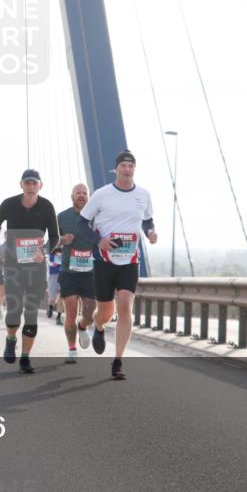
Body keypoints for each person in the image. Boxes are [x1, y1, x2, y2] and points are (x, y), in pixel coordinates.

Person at [77, 151, 157, 380]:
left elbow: (147, 219)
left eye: (131, 166)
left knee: (124, 305)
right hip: (104, 260)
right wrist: (98, 240)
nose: (127, 169)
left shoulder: (143, 194)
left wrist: (150, 232)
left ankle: (118, 360)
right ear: (116, 169)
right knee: (104, 312)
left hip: (130, 260)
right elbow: (82, 222)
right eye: (123, 165)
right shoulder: (102, 194)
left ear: (135, 169)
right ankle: (97, 327)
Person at [0, 169, 59, 374]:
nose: (30, 186)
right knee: (14, 311)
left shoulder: (46, 206)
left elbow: (55, 237)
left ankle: (26, 357)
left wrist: (44, 251)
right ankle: (11, 338)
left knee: (31, 313)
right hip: (12, 265)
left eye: (34, 183)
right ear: (21, 185)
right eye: (27, 183)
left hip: (36, 267)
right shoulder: (9, 204)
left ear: (40, 186)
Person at [57, 184, 97, 363]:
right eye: (78, 193)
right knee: (71, 313)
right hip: (69, 271)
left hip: (91, 272)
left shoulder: (97, 215)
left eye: (84, 193)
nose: (81, 196)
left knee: (90, 311)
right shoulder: (62, 217)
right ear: (71, 196)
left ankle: (83, 326)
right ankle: (72, 349)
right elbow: (51, 242)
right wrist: (62, 240)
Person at [47, 248, 63, 324]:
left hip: (63, 274)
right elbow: (46, 260)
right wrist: (52, 263)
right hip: (53, 275)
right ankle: (50, 307)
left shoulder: (65, 248)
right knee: (52, 295)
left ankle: (59, 316)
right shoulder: (50, 251)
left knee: (61, 296)